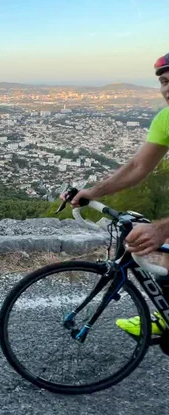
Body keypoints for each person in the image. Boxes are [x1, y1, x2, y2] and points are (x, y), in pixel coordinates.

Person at [72, 53, 169, 337]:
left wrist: (161, 229)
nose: (167, 89)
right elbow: (137, 167)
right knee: (159, 254)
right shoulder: (165, 119)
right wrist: (94, 192)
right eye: (164, 82)